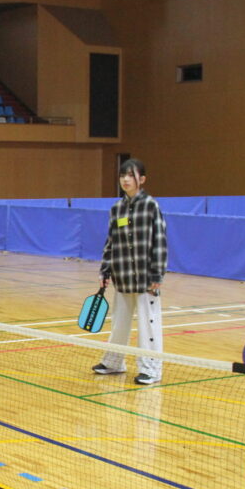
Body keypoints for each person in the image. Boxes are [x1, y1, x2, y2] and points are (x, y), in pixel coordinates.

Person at [92, 159, 167, 385]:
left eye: (130, 176)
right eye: (122, 175)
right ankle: (114, 362)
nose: (125, 179)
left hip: (146, 278)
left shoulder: (151, 206)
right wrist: (105, 270)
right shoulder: (117, 209)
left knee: (148, 325)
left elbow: (160, 242)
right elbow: (111, 243)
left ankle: (151, 369)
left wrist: (157, 275)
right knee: (119, 323)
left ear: (141, 180)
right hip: (122, 276)